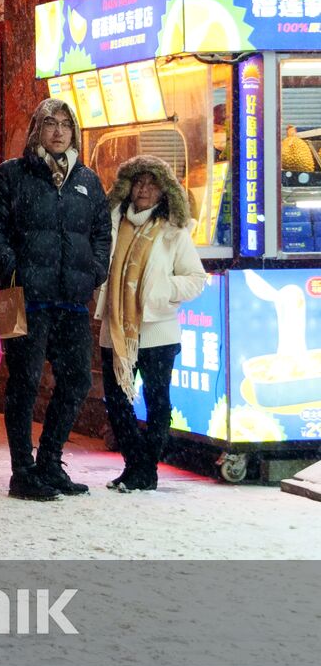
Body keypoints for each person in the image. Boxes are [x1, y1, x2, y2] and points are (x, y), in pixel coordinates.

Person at [0, 99, 110, 501]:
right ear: (37, 128)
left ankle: (50, 461)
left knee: (76, 381)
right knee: (25, 382)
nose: (58, 131)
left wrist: (95, 270)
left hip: (70, 299)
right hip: (19, 296)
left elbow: (102, 232)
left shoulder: (86, 180)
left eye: (66, 124)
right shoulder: (11, 176)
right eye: (50, 123)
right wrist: (12, 269)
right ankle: (23, 471)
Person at [96, 156, 206, 492]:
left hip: (158, 330)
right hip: (114, 330)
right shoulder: (111, 223)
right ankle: (135, 465)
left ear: (163, 191)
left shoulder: (173, 232)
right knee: (116, 402)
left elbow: (196, 278)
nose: (144, 189)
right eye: (138, 182)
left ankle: (147, 470)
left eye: (151, 183)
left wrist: (162, 291)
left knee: (157, 400)